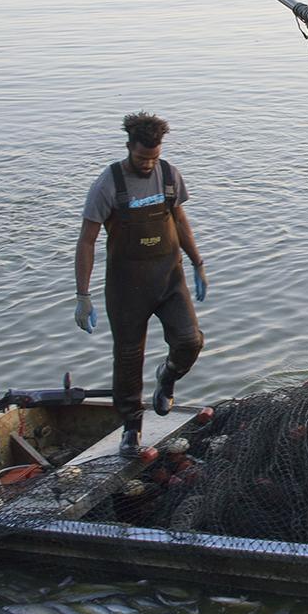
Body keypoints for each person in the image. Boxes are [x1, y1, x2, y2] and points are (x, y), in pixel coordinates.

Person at [74, 112, 207, 456]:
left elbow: (179, 219)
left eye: (154, 157)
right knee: (128, 359)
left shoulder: (168, 174)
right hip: (126, 287)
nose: (148, 164)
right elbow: (87, 240)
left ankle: (168, 376)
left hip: (168, 278)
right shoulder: (108, 184)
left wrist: (198, 263)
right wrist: (83, 295)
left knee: (190, 341)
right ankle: (131, 428)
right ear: (129, 147)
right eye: (141, 158)